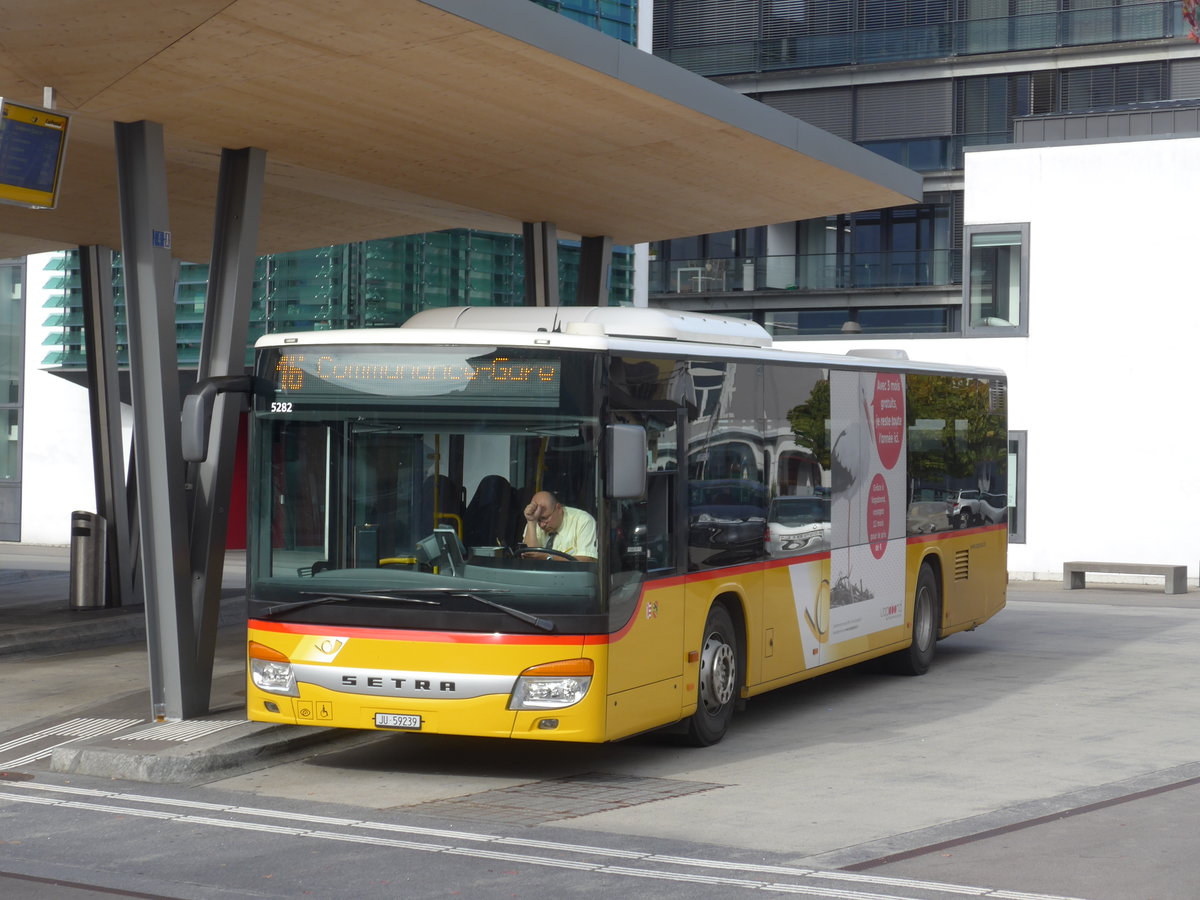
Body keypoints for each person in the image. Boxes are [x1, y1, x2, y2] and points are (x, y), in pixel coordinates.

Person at [520, 490, 597, 562]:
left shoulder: (583, 521)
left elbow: (587, 560)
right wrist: (531, 521)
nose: (542, 525)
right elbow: (529, 558)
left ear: (559, 508)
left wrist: (547, 557)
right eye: (538, 520)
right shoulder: (534, 520)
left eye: (545, 518)